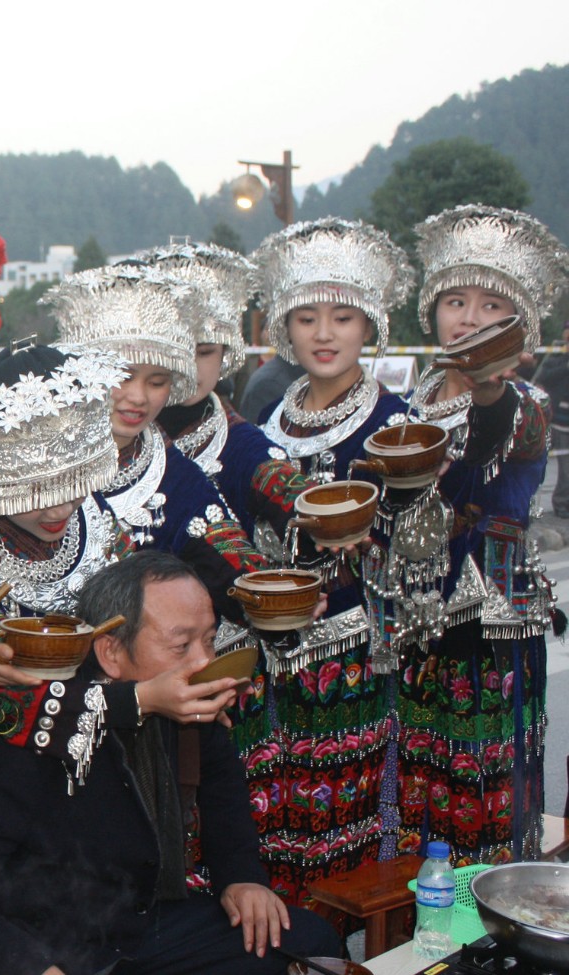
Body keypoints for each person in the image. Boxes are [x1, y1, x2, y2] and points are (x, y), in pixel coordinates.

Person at [0, 552, 342, 975]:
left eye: (209, 640)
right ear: (111, 652)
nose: (204, 662)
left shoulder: (188, 707)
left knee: (309, 945)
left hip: (134, 933)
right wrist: (31, 967)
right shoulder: (35, 727)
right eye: (181, 644)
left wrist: (241, 878)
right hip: (35, 947)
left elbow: (222, 792)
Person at [247, 217, 415, 900]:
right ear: (285, 327)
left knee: (335, 810)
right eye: (307, 317)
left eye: (342, 317)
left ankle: (334, 941)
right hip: (266, 643)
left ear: (368, 326)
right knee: (267, 809)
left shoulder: (398, 423)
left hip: (346, 642)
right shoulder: (264, 422)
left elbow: (413, 537)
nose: (324, 333)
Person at [396, 204, 565, 863]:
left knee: (482, 804)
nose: (469, 317)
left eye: (492, 305)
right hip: (415, 625)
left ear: (520, 328)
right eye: (456, 300)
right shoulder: (411, 401)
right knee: (415, 802)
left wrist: (486, 384)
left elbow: (495, 437)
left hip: (490, 632)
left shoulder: (524, 403)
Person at [43, 263, 266, 626]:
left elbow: (229, 559)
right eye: (123, 376)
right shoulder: (32, 455)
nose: (138, 397)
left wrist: (273, 600)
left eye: (157, 381)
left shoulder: (174, 477)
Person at [136, 244, 310, 552]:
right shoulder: (121, 439)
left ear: (225, 354)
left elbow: (304, 516)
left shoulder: (248, 449)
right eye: (178, 352)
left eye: (204, 353)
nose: (190, 367)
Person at [531, 320, 569, 517]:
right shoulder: (556, 356)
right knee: (540, 462)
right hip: (555, 420)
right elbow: (544, 377)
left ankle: (563, 505)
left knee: (565, 468)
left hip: (565, 422)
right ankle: (534, 502)